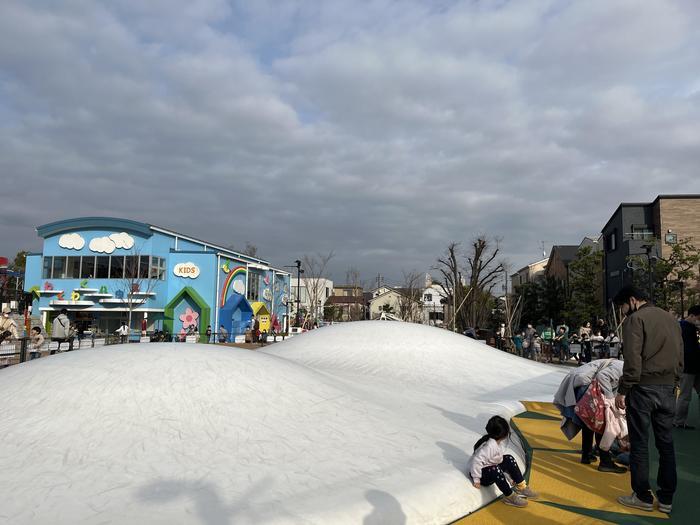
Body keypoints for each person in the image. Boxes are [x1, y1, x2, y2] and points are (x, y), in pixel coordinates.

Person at [613, 286, 683, 514]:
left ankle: (642, 496)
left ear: (632, 300)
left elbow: (633, 360)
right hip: (668, 387)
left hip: (643, 388)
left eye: (622, 307)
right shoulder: (670, 318)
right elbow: (680, 355)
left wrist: (623, 390)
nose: (623, 313)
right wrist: (676, 381)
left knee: (640, 444)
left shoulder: (636, 320)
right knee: (666, 445)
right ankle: (666, 499)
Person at [554, 359, 627, 473]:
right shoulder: (623, 368)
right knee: (600, 421)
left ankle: (586, 454)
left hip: (583, 382)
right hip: (585, 383)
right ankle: (605, 461)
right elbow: (602, 376)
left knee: (589, 421)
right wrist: (609, 399)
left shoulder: (624, 368)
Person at [467, 415, 538, 508]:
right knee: (495, 469)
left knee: (509, 458)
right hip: (481, 475)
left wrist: (508, 476)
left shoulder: (495, 442)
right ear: (502, 434)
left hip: (490, 468)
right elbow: (476, 461)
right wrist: (476, 479)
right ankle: (510, 496)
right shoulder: (489, 446)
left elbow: (495, 461)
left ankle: (521, 487)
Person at [674, 304, 700, 429]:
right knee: (685, 396)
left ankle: (679, 421)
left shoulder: (688, 327)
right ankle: (678, 421)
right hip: (688, 367)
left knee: (685, 395)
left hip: (693, 367)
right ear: (692, 316)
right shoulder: (684, 328)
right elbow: (689, 350)